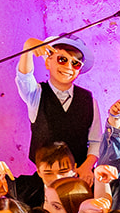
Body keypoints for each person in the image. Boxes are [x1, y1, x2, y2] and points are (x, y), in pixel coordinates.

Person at [17, 36, 101, 170]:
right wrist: (28, 48)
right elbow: (24, 78)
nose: (68, 66)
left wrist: (86, 167)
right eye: (62, 59)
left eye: (76, 63)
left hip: (78, 176)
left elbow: (96, 141)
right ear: (47, 63)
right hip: (44, 179)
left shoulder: (89, 100)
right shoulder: (36, 94)